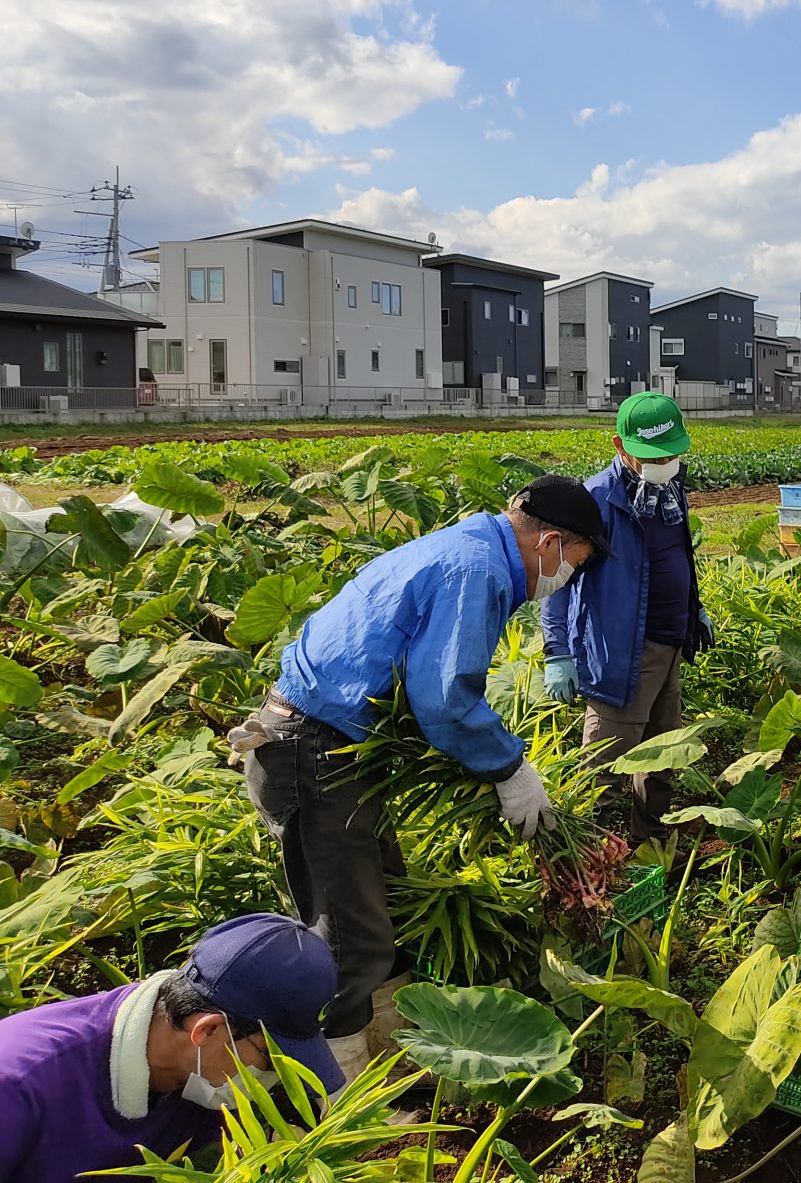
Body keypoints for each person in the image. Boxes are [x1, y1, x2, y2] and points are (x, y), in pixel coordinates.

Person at [229, 474, 611, 1080]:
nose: (568, 577)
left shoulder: (471, 548)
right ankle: (335, 1083)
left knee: (385, 900)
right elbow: (444, 699)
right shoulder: (476, 570)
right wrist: (509, 768)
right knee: (350, 931)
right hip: (311, 751)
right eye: (576, 563)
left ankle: (387, 1044)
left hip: (330, 746)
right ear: (550, 542)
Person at [0, 912, 343, 1183]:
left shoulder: (198, 1072)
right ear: (207, 1030)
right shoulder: (17, 1082)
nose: (269, 1081)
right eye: (270, 1061)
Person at [541, 393, 710, 848]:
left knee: (663, 754)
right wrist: (556, 651)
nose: (666, 462)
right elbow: (554, 580)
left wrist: (695, 609)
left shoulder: (671, 490)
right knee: (605, 769)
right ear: (619, 445)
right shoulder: (595, 502)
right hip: (620, 654)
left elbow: (675, 556)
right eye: (654, 455)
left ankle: (649, 844)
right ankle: (592, 861)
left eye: (673, 452)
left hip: (669, 643)